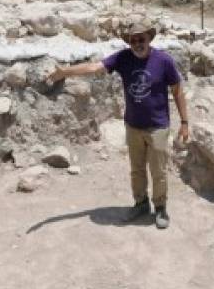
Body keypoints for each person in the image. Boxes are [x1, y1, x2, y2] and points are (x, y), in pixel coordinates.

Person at [45, 16, 189, 229]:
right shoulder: (123, 58)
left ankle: (160, 208)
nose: (138, 43)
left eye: (142, 39)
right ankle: (140, 204)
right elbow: (95, 68)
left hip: (158, 125)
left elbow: (177, 91)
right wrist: (65, 72)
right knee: (136, 169)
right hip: (133, 125)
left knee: (158, 171)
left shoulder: (164, 60)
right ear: (129, 42)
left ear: (149, 38)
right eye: (134, 40)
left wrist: (185, 122)